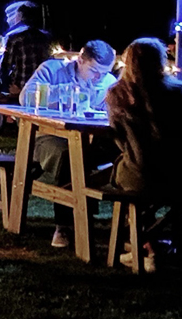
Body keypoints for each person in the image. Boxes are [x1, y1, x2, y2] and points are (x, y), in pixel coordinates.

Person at [106, 37, 182, 266]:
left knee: (122, 174)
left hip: (140, 177)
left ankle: (144, 245)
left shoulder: (117, 95)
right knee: (136, 180)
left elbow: (120, 142)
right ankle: (151, 245)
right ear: (162, 62)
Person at [24, 39, 119, 247]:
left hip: (88, 139)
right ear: (81, 60)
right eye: (95, 71)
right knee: (70, 155)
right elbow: (26, 98)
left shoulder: (108, 82)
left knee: (107, 153)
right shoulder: (52, 70)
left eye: (104, 73)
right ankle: (64, 225)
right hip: (48, 136)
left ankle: (120, 222)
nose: (98, 77)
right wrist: (70, 91)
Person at [0, 0, 52, 96]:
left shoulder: (14, 37)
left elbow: (5, 66)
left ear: (20, 16)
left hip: (20, 87)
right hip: (42, 88)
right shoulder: (45, 37)